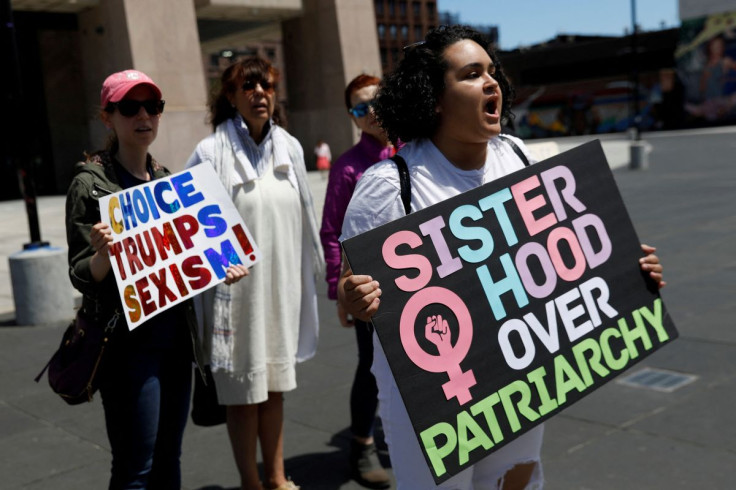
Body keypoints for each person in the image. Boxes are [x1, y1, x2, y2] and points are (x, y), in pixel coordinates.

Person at [337, 26, 666, 490]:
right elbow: (350, 294)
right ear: (433, 98)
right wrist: (355, 298)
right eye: (472, 74)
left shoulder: (514, 155)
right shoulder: (391, 185)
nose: (492, 82)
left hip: (517, 383)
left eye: (492, 72)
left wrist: (627, 269)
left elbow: (561, 258)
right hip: (433, 403)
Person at [65, 69, 248, 488]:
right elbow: (80, 274)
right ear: (107, 117)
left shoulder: (169, 182)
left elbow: (188, 261)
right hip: (127, 347)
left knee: (169, 458)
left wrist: (224, 267)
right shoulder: (91, 185)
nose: (144, 115)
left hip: (174, 342)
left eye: (153, 106)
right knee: (135, 467)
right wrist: (103, 256)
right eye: (130, 107)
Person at [185, 57, 324, 490]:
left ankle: (278, 478)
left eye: (265, 85)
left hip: (279, 285)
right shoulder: (210, 153)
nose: (259, 93)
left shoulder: (291, 147)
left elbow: (303, 217)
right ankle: (251, 482)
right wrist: (215, 261)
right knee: (243, 397)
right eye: (248, 86)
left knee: (276, 387)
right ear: (230, 97)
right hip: (236, 294)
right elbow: (190, 226)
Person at [319, 74, 395, 489]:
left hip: (419, 278)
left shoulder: (415, 148)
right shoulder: (349, 166)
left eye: (375, 102)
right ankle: (362, 444)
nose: (370, 112)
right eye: (358, 108)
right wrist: (339, 292)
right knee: (371, 368)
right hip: (368, 285)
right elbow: (331, 231)